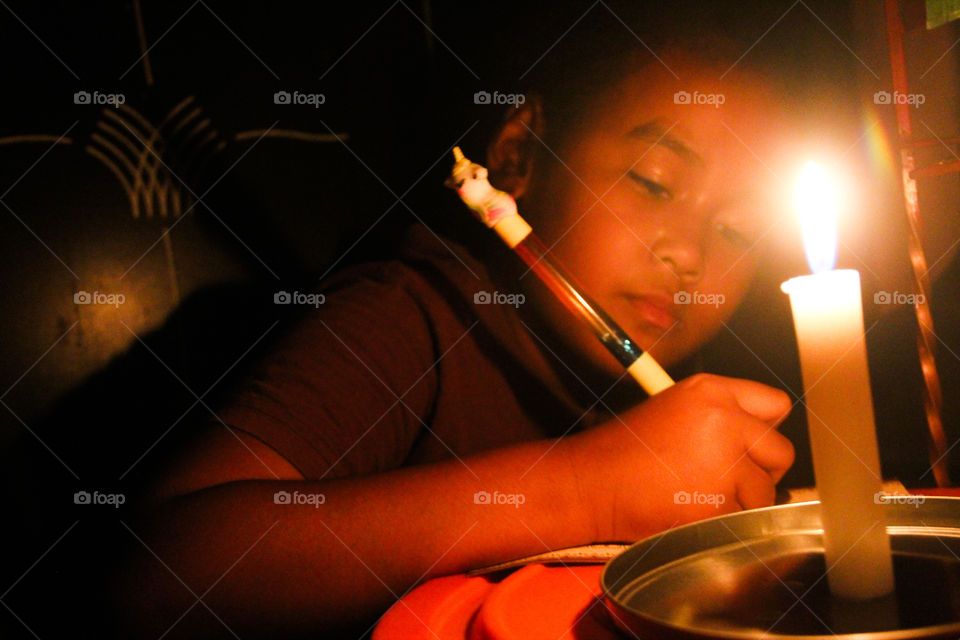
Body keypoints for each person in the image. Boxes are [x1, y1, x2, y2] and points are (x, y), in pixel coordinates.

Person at [112, 40, 796, 638]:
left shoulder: (675, 382)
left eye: (739, 230)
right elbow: (154, 578)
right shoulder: (411, 315)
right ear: (518, 152)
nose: (693, 256)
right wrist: (585, 489)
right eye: (653, 182)